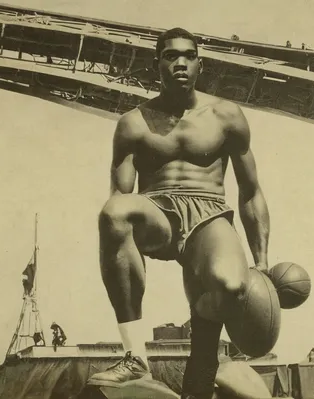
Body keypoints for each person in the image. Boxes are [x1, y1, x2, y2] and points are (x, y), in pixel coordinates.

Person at [87, 27, 270, 399]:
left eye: (188, 55)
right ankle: (135, 355)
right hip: (157, 211)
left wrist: (262, 262)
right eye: (171, 56)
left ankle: (201, 365)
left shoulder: (226, 115)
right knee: (114, 211)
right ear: (157, 65)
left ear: (200, 64)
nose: (180, 63)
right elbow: (122, 198)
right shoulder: (134, 123)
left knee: (231, 284)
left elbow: (250, 192)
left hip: (209, 214)